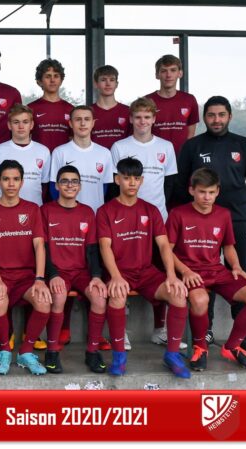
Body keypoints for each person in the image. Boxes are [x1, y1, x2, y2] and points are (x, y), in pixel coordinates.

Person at [176, 95, 246, 350]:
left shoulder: (244, 145)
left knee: (237, 271)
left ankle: (243, 331)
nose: (216, 120)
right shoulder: (192, 146)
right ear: (204, 118)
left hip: (235, 218)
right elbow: (182, 183)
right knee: (206, 271)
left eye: (221, 115)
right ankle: (207, 328)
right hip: (201, 221)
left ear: (229, 116)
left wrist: (238, 204)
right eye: (211, 115)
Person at [97, 157, 191, 379]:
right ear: (117, 180)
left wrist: (171, 275)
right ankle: (119, 356)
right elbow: (104, 246)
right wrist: (115, 277)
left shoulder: (151, 210)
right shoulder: (105, 211)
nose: (132, 182)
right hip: (120, 272)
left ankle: (172, 355)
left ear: (142, 181)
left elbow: (164, 245)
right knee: (117, 296)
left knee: (178, 294)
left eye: (136, 178)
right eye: (127, 178)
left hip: (146, 272)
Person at [168, 168, 246, 371]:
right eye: (202, 192)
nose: (207, 197)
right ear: (191, 190)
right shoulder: (178, 214)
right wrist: (184, 271)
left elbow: (228, 247)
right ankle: (200, 348)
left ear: (217, 192)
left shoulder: (223, 214)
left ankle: (232, 346)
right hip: (189, 272)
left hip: (216, 271)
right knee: (200, 300)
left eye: (211, 192)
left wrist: (236, 266)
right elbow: (166, 250)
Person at [110, 96, 181, 351]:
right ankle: (122, 331)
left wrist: (158, 212)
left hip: (156, 218)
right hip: (126, 220)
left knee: (159, 272)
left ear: (154, 119)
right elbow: (114, 184)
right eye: (138, 117)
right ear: (130, 119)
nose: (142, 121)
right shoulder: (119, 147)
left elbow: (170, 184)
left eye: (147, 117)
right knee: (123, 273)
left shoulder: (166, 146)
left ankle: (160, 329)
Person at [0, 160, 51, 376]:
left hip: (26, 278)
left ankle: (26, 351)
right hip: (1, 275)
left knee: (44, 301)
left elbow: (39, 245)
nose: (11, 184)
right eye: (6, 179)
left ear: (22, 182)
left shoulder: (32, 209)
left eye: (15, 179)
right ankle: (4, 350)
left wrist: (39, 279)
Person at [41, 165, 108, 374]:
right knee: (59, 296)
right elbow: (42, 248)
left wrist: (96, 276)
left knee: (99, 297)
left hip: (81, 272)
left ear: (80, 186)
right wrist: (52, 274)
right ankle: (52, 351)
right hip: (58, 271)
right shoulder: (46, 211)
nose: (69, 185)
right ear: (57, 186)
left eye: (74, 181)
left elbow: (92, 248)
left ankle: (92, 351)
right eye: (65, 181)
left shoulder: (87, 212)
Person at [49, 105, 113, 213]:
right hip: (66, 215)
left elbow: (105, 187)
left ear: (93, 123)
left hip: (95, 214)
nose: (83, 123)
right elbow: (54, 187)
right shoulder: (59, 152)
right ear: (70, 123)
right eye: (78, 119)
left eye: (87, 119)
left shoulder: (105, 153)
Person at [0, 104, 51, 206]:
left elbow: (45, 185)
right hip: (5, 209)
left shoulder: (43, 151)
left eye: (25, 122)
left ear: (31, 125)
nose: (21, 126)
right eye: (16, 122)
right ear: (9, 125)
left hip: (34, 209)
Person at [145, 54, 199, 155]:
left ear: (180, 73)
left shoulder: (189, 100)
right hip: (154, 156)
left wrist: (186, 156)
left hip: (182, 157)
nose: (168, 75)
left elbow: (190, 135)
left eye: (173, 70)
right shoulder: (147, 101)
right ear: (157, 75)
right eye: (164, 71)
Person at [28, 58, 73, 152]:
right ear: (39, 81)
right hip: (38, 158)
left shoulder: (71, 109)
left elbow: (73, 140)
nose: (52, 80)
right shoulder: (30, 109)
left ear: (61, 80)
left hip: (64, 159)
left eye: (56, 76)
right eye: (48, 76)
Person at [90, 65, 131, 149]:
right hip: (94, 156)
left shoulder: (128, 111)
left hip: (123, 157)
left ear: (116, 84)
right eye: (103, 80)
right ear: (95, 84)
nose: (108, 84)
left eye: (112, 80)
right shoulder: (88, 112)